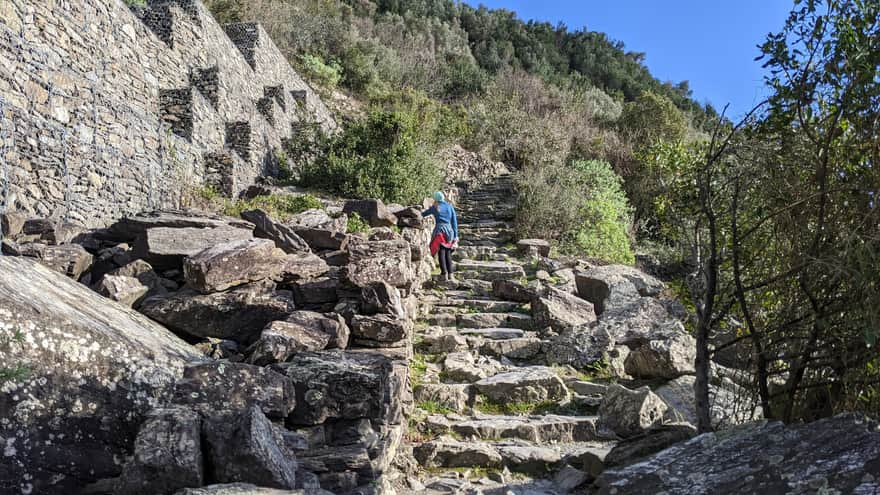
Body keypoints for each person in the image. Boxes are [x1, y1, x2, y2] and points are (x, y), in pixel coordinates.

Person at [422, 191, 459, 282]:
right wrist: (455, 236)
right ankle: (450, 274)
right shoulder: (450, 207)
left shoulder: (435, 207)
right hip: (449, 231)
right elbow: (454, 222)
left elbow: (424, 214)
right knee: (448, 253)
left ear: (436, 199)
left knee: (441, 252)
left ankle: (444, 274)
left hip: (440, 231)